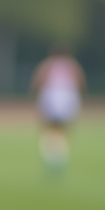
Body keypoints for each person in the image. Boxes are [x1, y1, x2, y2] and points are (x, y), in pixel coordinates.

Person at [30, 44, 86, 175]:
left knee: (49, 128)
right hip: (68, 94)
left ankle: (51, 155)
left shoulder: (47, 64)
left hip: (51, 94)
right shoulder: (72, 65)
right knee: (64, 130)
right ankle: (61, 155)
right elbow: (81, 81)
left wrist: (34, 96)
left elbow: (37, 80)